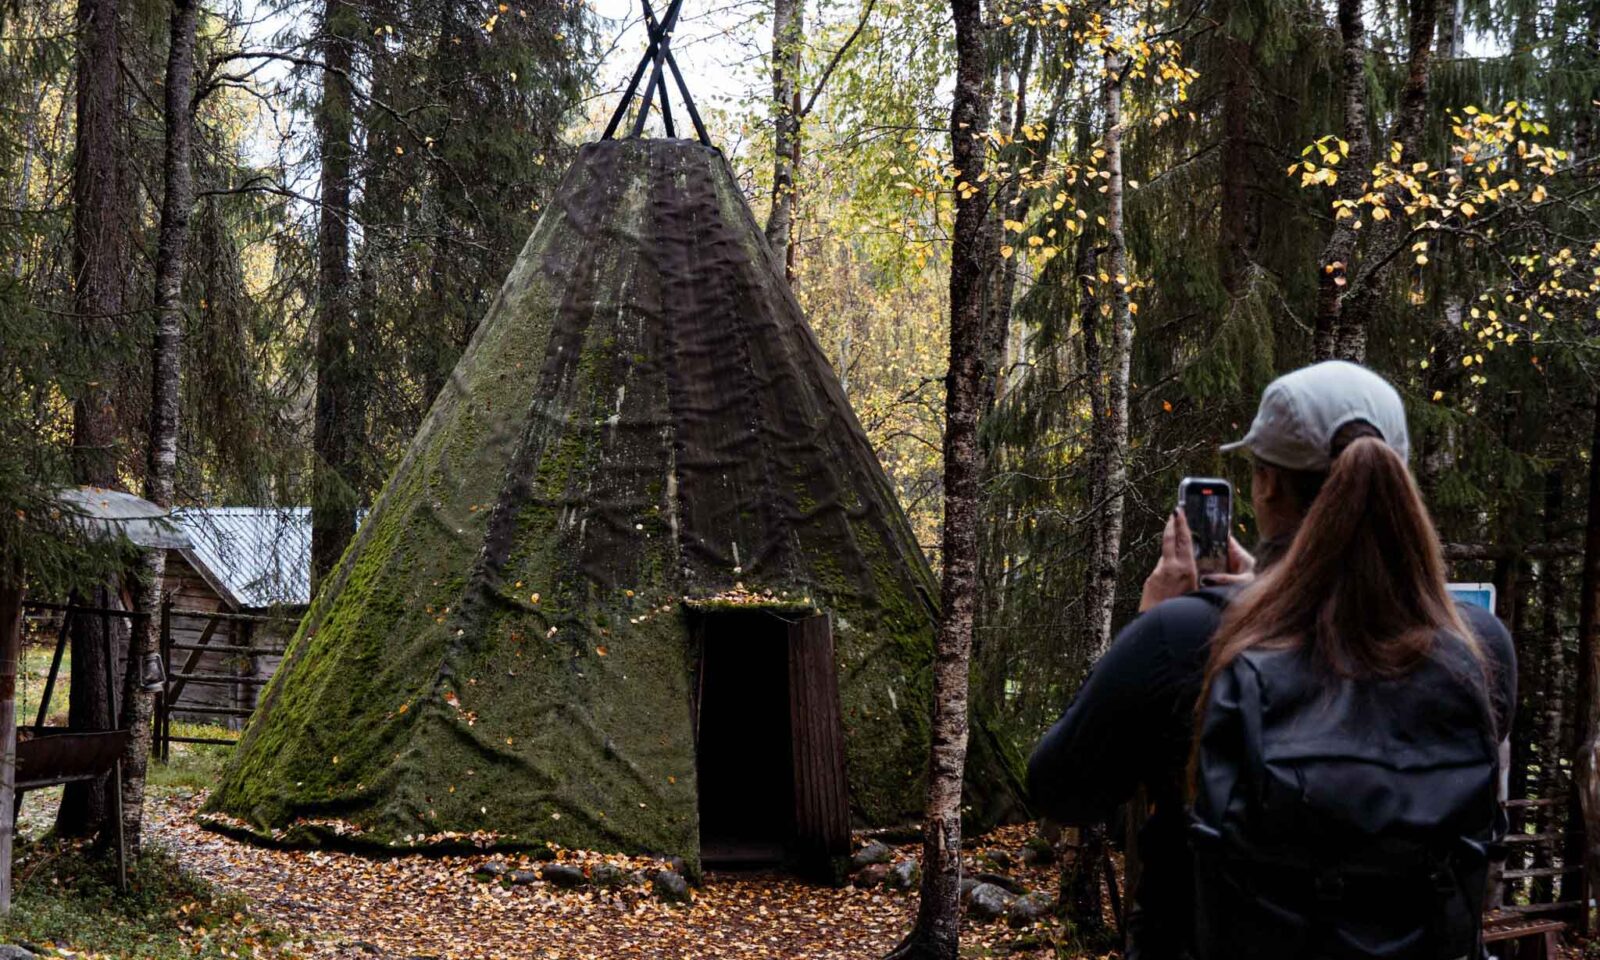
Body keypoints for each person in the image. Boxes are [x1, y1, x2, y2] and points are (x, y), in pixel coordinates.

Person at [1027, 361, 1515, 960]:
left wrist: (1151, 620)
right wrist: (1265, 595)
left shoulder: (1183, 638)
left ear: (1266, 487)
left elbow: (1062, 791)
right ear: (1397, 476)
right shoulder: (1479, 648)